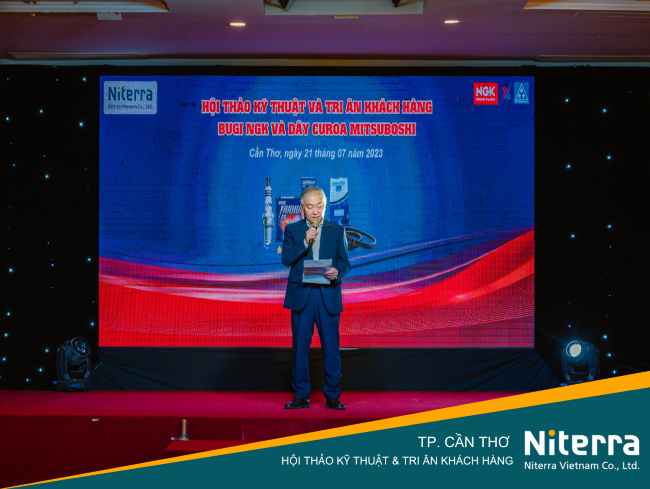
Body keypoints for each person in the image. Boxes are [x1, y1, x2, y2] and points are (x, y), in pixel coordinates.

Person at [281, 186, 350, 410]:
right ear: (302, 209)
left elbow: (345, 262)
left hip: (327, 295)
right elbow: (286, 259)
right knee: (300, 348)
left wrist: (338, 272)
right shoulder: (293, 230)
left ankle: (332, 396)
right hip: (302, 295)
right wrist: (304, 242)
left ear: (324, 206)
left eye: (319, 206)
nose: (315, 211)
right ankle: (301, 395)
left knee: (331, 347)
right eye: (310, 206)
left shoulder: (337, 231)